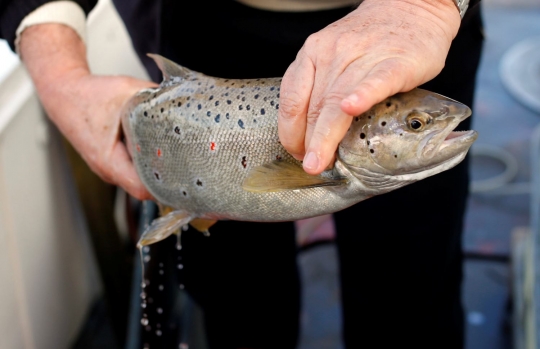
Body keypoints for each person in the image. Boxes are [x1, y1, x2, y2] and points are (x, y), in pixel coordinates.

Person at [0, 0, 483, 347]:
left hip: (407, 38)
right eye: (416, 126)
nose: (426, 127)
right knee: (240, 303)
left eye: (414, 125)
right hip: (201, 30)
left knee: (410, 288)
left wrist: (427, 6)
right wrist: (61, 78)